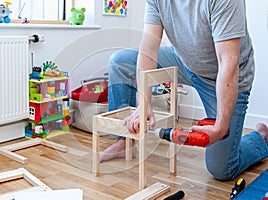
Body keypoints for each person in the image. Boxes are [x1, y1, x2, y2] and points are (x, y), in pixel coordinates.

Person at [100, 0, 268, 181]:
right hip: (186, 63)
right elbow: (148, 49)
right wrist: (144, 103)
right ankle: (124, 141)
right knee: (120, 61)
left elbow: (228, 62)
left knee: (222, 169)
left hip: (223, 75)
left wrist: (220, 126)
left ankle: (261, 137)